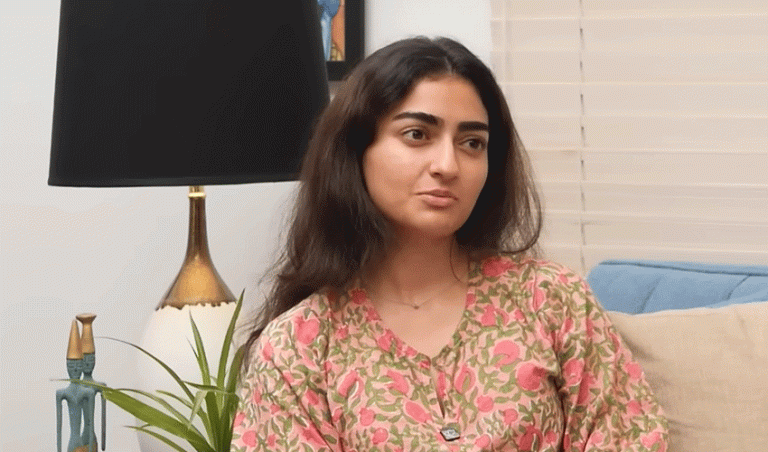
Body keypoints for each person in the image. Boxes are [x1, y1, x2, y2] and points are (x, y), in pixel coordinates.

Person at [230, 37, 668, 452]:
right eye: (417, 135)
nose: (448, 165)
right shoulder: (298, 346)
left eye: (472, 143)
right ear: (355, 150)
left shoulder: (550, 300)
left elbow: (628, 438)